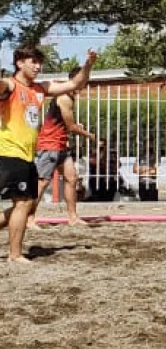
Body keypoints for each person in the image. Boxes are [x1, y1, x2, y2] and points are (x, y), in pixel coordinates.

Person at [0, 45, 96, 262]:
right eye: (33, 61)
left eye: (39, 62)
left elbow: (75, 83)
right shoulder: (10, 86)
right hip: (9, 153)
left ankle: (15, 251)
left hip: (27, 156)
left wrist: (88, 64)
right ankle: (14, 255)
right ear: (19, 63)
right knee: (23, 204)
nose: (38, 66)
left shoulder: (39, 89)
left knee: (26, 205)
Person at [29, 66, 95, 228]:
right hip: (50, 144)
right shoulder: (64, 97)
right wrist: (89, 135)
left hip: (60, 145)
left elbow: (66, 125)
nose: (85, 83)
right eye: (83, 79)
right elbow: (71, 126)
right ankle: (29, 218)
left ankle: (72, 217)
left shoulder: (69, 97)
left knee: (71, 178)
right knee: (42, 182)